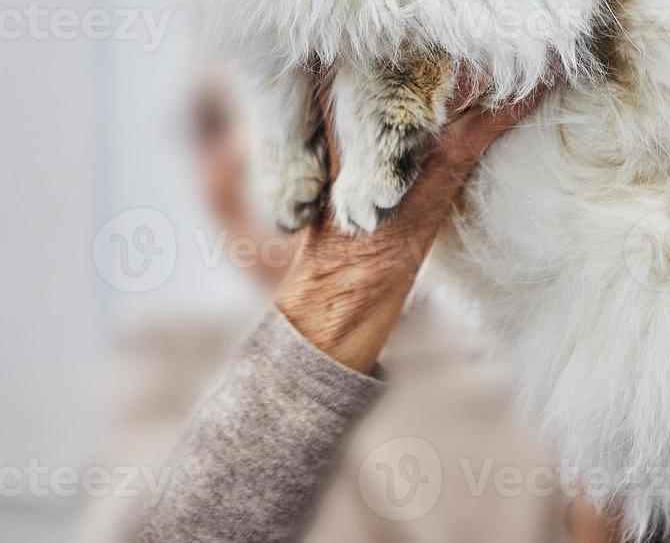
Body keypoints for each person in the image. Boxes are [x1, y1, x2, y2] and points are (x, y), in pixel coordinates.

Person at [89, 73, 618, 542]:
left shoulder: (544, 356)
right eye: (209, 124)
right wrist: (353, 269)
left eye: (288, 92)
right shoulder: (171, 355)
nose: (239, 152)